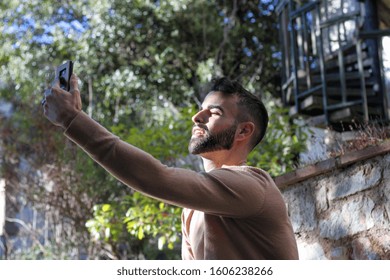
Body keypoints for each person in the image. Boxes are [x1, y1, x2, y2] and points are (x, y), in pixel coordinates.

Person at [42, 73, 299, 260]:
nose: (197, 117)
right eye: (200, 110)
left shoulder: (254, 185)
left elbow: (156, 178)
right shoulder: (192, 209)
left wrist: (72, 119)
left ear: (243, 130)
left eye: (214, 112)